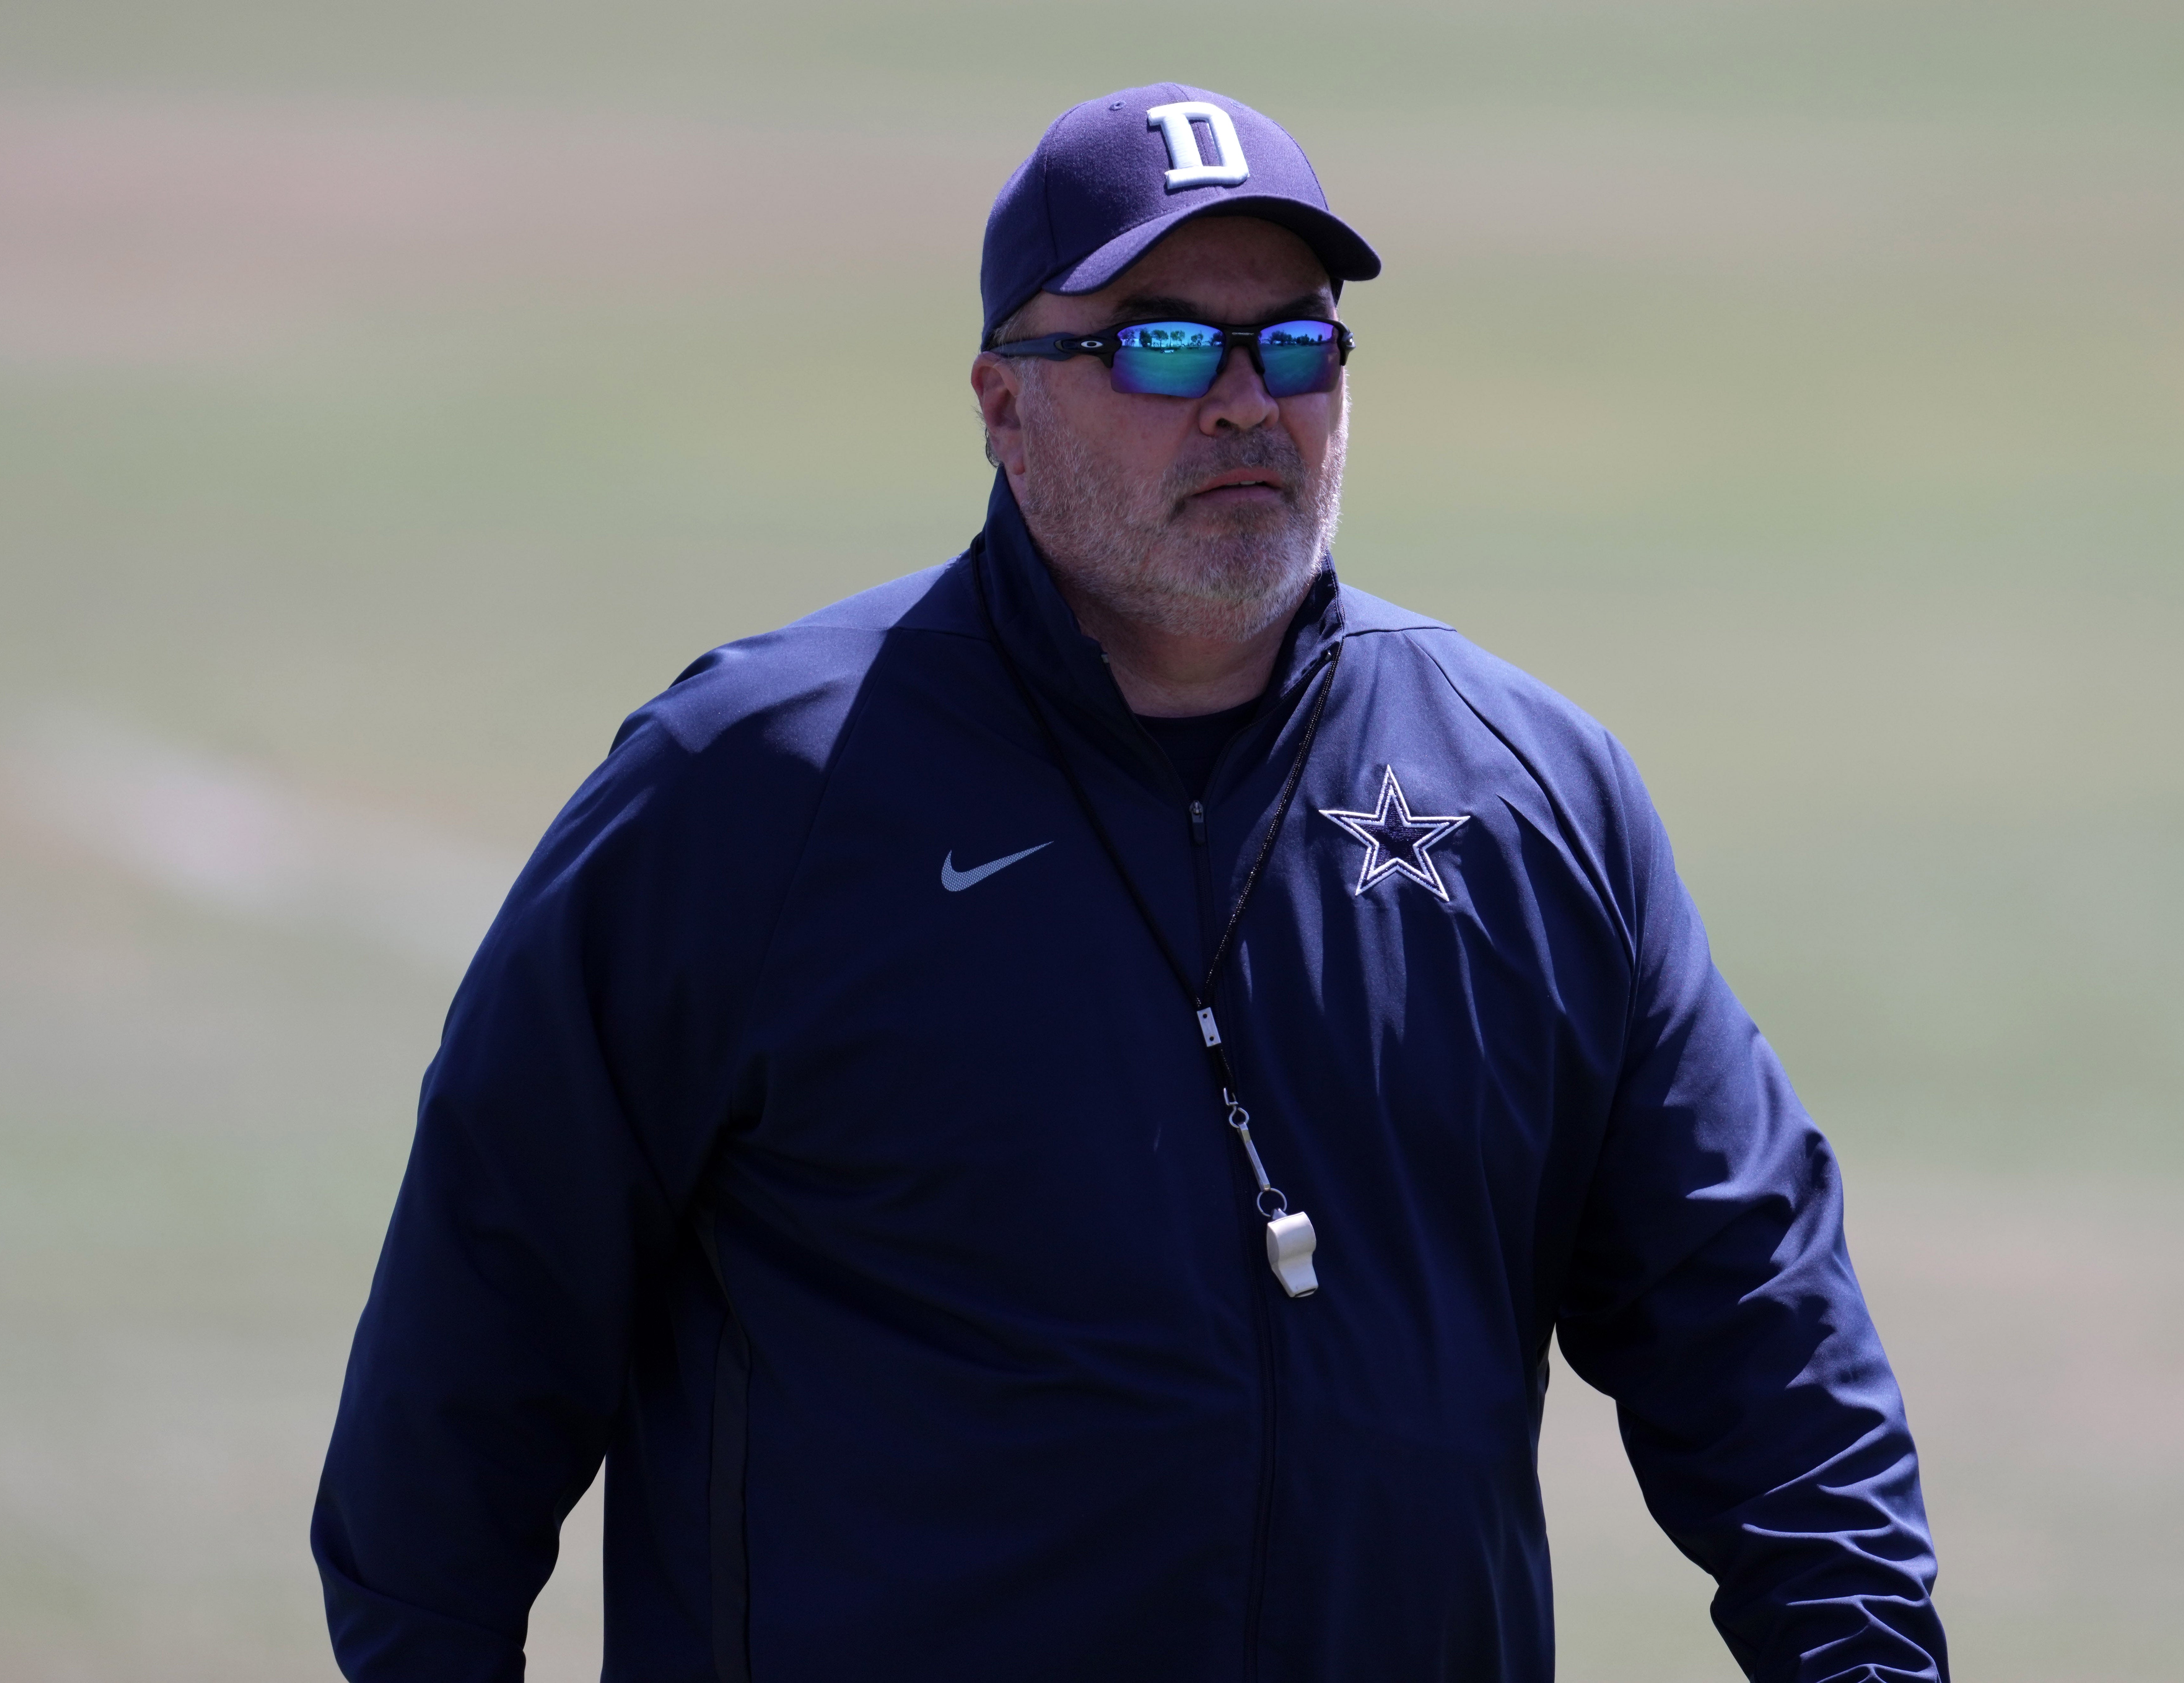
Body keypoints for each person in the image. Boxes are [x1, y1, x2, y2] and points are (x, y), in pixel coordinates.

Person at [313, 83, 1947, 1683]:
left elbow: (1754, 1326)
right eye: (1160, 343)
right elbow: (469, 1363)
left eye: (1294, 342)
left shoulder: (1523, 795)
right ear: (1000, 400)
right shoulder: (751, 792)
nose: (1245, 400)